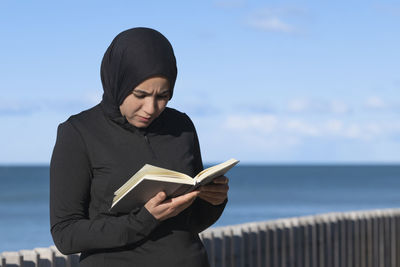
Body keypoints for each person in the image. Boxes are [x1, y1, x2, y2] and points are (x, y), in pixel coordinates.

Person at [50, 27, 229, 267]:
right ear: (118, 81)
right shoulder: (78, 132)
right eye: (140, 94)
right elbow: (66, 235)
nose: (151, 108)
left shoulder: (181, 126)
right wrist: (144, 219)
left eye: (163, 96)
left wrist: (213, 201)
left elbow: (191, 223)